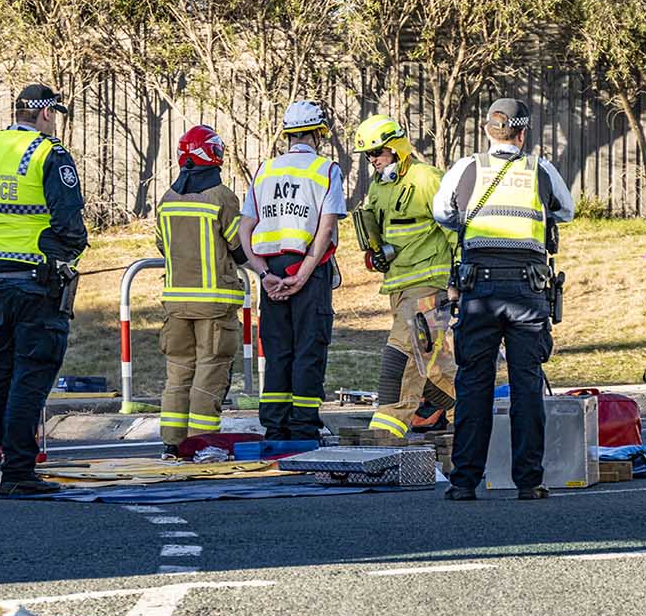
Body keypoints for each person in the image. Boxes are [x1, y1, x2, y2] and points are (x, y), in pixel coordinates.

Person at [433, 98, 574, 501]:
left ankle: (464, 483)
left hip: (478, 291)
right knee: (526, 386)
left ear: (487, 131)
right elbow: (566, 211)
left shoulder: (466, 168)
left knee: (473, 383)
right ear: (523, 133)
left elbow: (443, 213)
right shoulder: (540, 169)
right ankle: (529, 482)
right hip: (528, 291)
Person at [0, 83, 88, 496]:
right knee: (30, 378)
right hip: (35, 284)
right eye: (55, 116)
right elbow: (69, 224)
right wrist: (60, 253)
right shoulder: (50, 154)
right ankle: (18, 472)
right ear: (45, 114)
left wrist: (1, 238)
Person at [238, 100, 347, 442]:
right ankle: (302, 427)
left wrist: (262, 272)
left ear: (286, 135)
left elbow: (245, 228)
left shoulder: (264, 170)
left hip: (271, 271)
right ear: (318, 133)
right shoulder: (325, 169)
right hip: (309, 272)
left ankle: (275, 425)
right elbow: (325, 230)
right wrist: (302, 275)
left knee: (277, 349)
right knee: (308, 348)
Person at [350, 114, 458, 439]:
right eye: (369, 155)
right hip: (398, 285)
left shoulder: (428, 179)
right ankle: (469, 417)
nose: (373, 160)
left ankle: (385, 432)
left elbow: (455, 229)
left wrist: (461, 278)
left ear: (397, 147)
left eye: (378, 152)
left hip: (429, 285)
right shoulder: (379, 187)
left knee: (402, 351)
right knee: (435, 368)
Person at [156, 125, 248, 457]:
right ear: (214, 155)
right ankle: (203, 444)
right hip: (215, 305)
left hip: (175, 306)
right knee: (210, 374)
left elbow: (163, 245)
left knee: (178, 373)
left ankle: (172, 443)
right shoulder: (221, 196)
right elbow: (240, 247)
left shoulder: (167, 198)